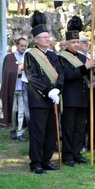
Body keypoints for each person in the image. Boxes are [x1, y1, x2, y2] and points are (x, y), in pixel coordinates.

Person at [25, 12, 64, 174]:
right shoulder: (30, 55)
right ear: (36, 40)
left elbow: (61, 74)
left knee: (51, 132)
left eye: (48, 37)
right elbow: (32, 77)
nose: (48, 39)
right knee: (38, 132)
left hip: (54, 98)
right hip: (39, 99)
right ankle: (36, 162)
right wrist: (48, 91)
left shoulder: (54, 55)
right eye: (44, 37)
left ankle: (46, 160)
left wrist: (58, 88)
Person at [58, 17, 95, 166]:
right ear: (67, 43)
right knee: (69, 128)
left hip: (82, 97)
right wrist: (85, 68)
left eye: (77, 42)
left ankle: (77, 152)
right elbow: (68, 75)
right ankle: (67, 155)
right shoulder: (61, 57)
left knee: (80, 128)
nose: (76, 45)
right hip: (69, 98)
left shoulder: (82, 57)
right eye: (73, 42)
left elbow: (87, 75)